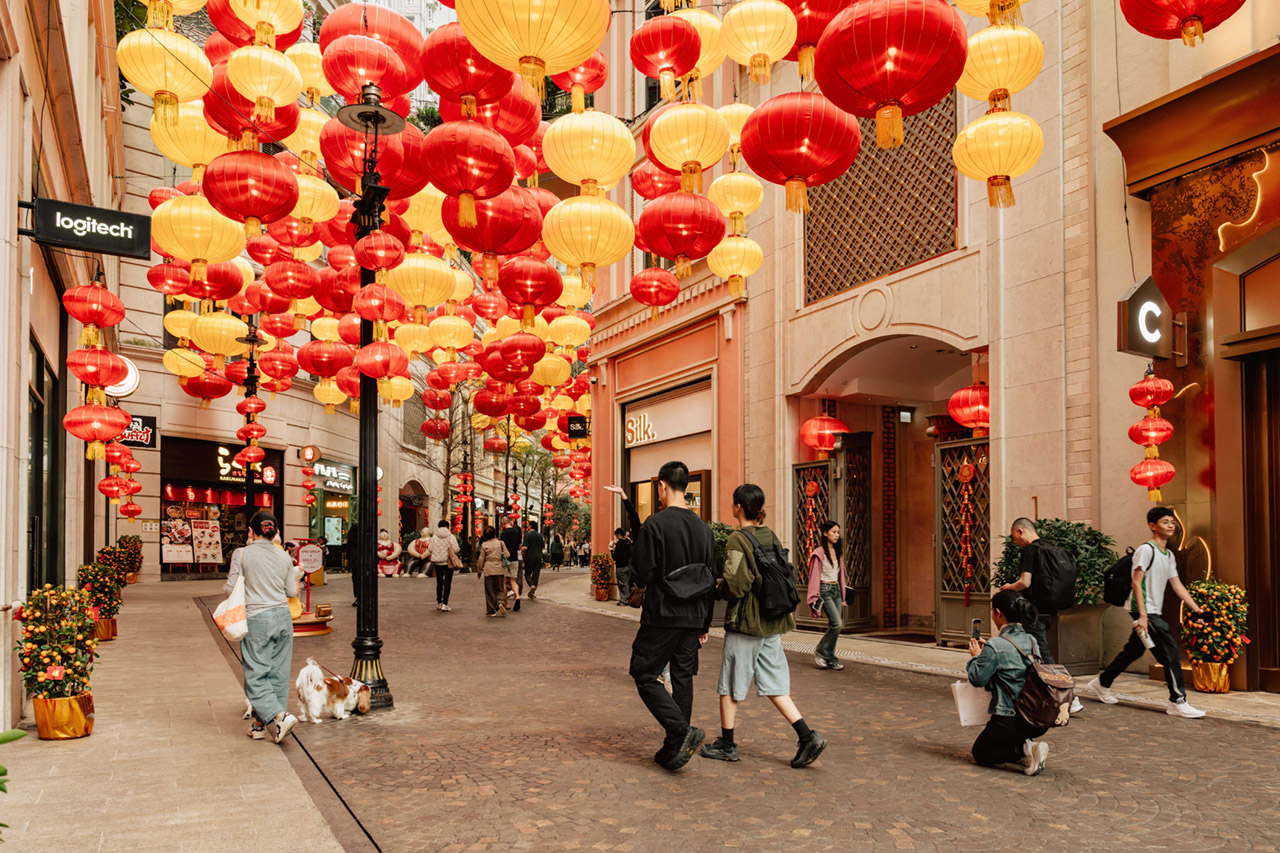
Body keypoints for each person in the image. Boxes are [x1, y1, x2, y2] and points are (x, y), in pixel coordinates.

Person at [700, 484, 827, 769]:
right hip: (773, 621)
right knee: (774, 684)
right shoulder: (770, 534)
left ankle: (728, 744)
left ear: (738, 508)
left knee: (731, 684)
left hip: (747, 623)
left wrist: (714, 586)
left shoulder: (737, 538)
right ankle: (807, 736)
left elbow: (736, 584)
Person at [606, 461, 717, 772]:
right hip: (694, 615)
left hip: (663, 614)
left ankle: (681, 731)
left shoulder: (656, 524)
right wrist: (704, 623)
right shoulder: (704, 529)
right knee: (682, 677)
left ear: (663, 485)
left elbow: (641, 571)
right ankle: (673, 747)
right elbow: (711, 577)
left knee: (643, 673)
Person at [1087, 507, 1207, 718]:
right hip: (1145, 611)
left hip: (1150, 612)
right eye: (1165, 522)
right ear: (1153, 526)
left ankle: (1102, 682)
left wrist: (1196, 609)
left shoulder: (1168, 554)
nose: (1171, 525)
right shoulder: (1146, 550)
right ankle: (1178, 701)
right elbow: (1136, 583)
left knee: (1134, 650)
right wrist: (1142, 616)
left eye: (1172, 522)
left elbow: (1177, 585)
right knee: (1170, 654)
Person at [225, 511, 299, 743]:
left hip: (257, 618)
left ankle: (279, 716)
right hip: (283, 618)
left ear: (251, 531)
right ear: (275, 532)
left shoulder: (242, 554)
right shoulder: (284, 557)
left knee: (256, 674)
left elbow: (230, 589)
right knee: (278, 672)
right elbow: (291, 592)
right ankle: (259, 726)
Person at [998, 518, 1084, 713]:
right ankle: (1031, 693)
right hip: (1051, 609)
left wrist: (1009, 588)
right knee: (1034, 651)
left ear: (1020, 531)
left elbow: (1025, 582)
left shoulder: (1029, 551)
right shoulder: (1052, 548)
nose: (1015, 542)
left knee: (1042, 653)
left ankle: (1069, 697)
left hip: (1034, 611)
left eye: (1014, 537)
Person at [967, 590, 1052, 776]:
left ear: (998, 613)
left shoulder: (995, 646)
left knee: (981, 752)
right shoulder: (1032, 640)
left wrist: (976, 657)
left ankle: (1026, 748)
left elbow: (977, 678)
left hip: (1010, 717)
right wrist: (990, 650)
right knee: (1002, 740)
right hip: (1036, 716)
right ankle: (1028, 750)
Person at [806, 520, 847, 671]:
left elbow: (842, 575)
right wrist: (814, 596)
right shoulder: (818, 553)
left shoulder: (838, 552)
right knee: (837, 624)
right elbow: (814, 576)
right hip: (824, 590)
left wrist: (843, 596)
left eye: (838, 532)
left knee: (834, 626)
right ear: (825, 533)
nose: (837, 535)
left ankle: (830, 658)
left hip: (836, 589)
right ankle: (821, 652)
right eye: (834, 532)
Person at [427, 520, 461, 612]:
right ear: (447, 526)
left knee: (439, 582)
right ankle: (445, 604)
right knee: (447, 582)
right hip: (448, 562)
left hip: (438, 563)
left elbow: (430, 549)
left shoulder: (434, 537)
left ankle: (439, 602)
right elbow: (456, 549)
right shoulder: (451, 537)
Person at [475, 527, 508, 617]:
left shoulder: (484, 545)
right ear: (495, 534)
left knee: (489, 590)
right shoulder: (501, 543)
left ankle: (491, 610)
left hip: (488, 569)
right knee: (499, 588)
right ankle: (500, 602)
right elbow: (508, 554)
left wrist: (479, 570)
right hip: (499, 569)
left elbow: (481, 559)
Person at [499, 517, 523, 612]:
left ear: (503, 523)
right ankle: (517, 596)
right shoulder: (517, 532)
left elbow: (502, 547)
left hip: (506, 560)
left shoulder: (504, 534)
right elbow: (519, 546)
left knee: (504, 581)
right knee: (513, 580)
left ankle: (507, 603)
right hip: (515, 558)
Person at [521, 520, 545, 599]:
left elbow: (525, 547)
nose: (527, 526)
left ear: (530, 526)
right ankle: (533, 592)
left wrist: (520, 550)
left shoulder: (527, 535)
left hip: (530, 557)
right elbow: (543, 547)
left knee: (527, 573)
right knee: (536, 574)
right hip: (539, 557)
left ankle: (532, 585)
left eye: (528, 525)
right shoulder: (539, 535)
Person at [612, 528, 633, 607]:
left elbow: (616, 556)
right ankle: (627, 598)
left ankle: (624, 600)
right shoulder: (628, 542)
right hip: (628, 566)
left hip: (620, 566)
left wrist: (611, 550)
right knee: (627, 583)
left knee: (622, 584)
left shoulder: (619, 544)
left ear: (618, 534)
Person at [345, 521, 360, 607]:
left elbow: (348, 552)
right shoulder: (364, 538)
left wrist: (349, 561)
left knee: (356, 580)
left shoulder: (351, 540)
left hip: (355, 562)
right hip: (364, 563)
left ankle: (358, 597)